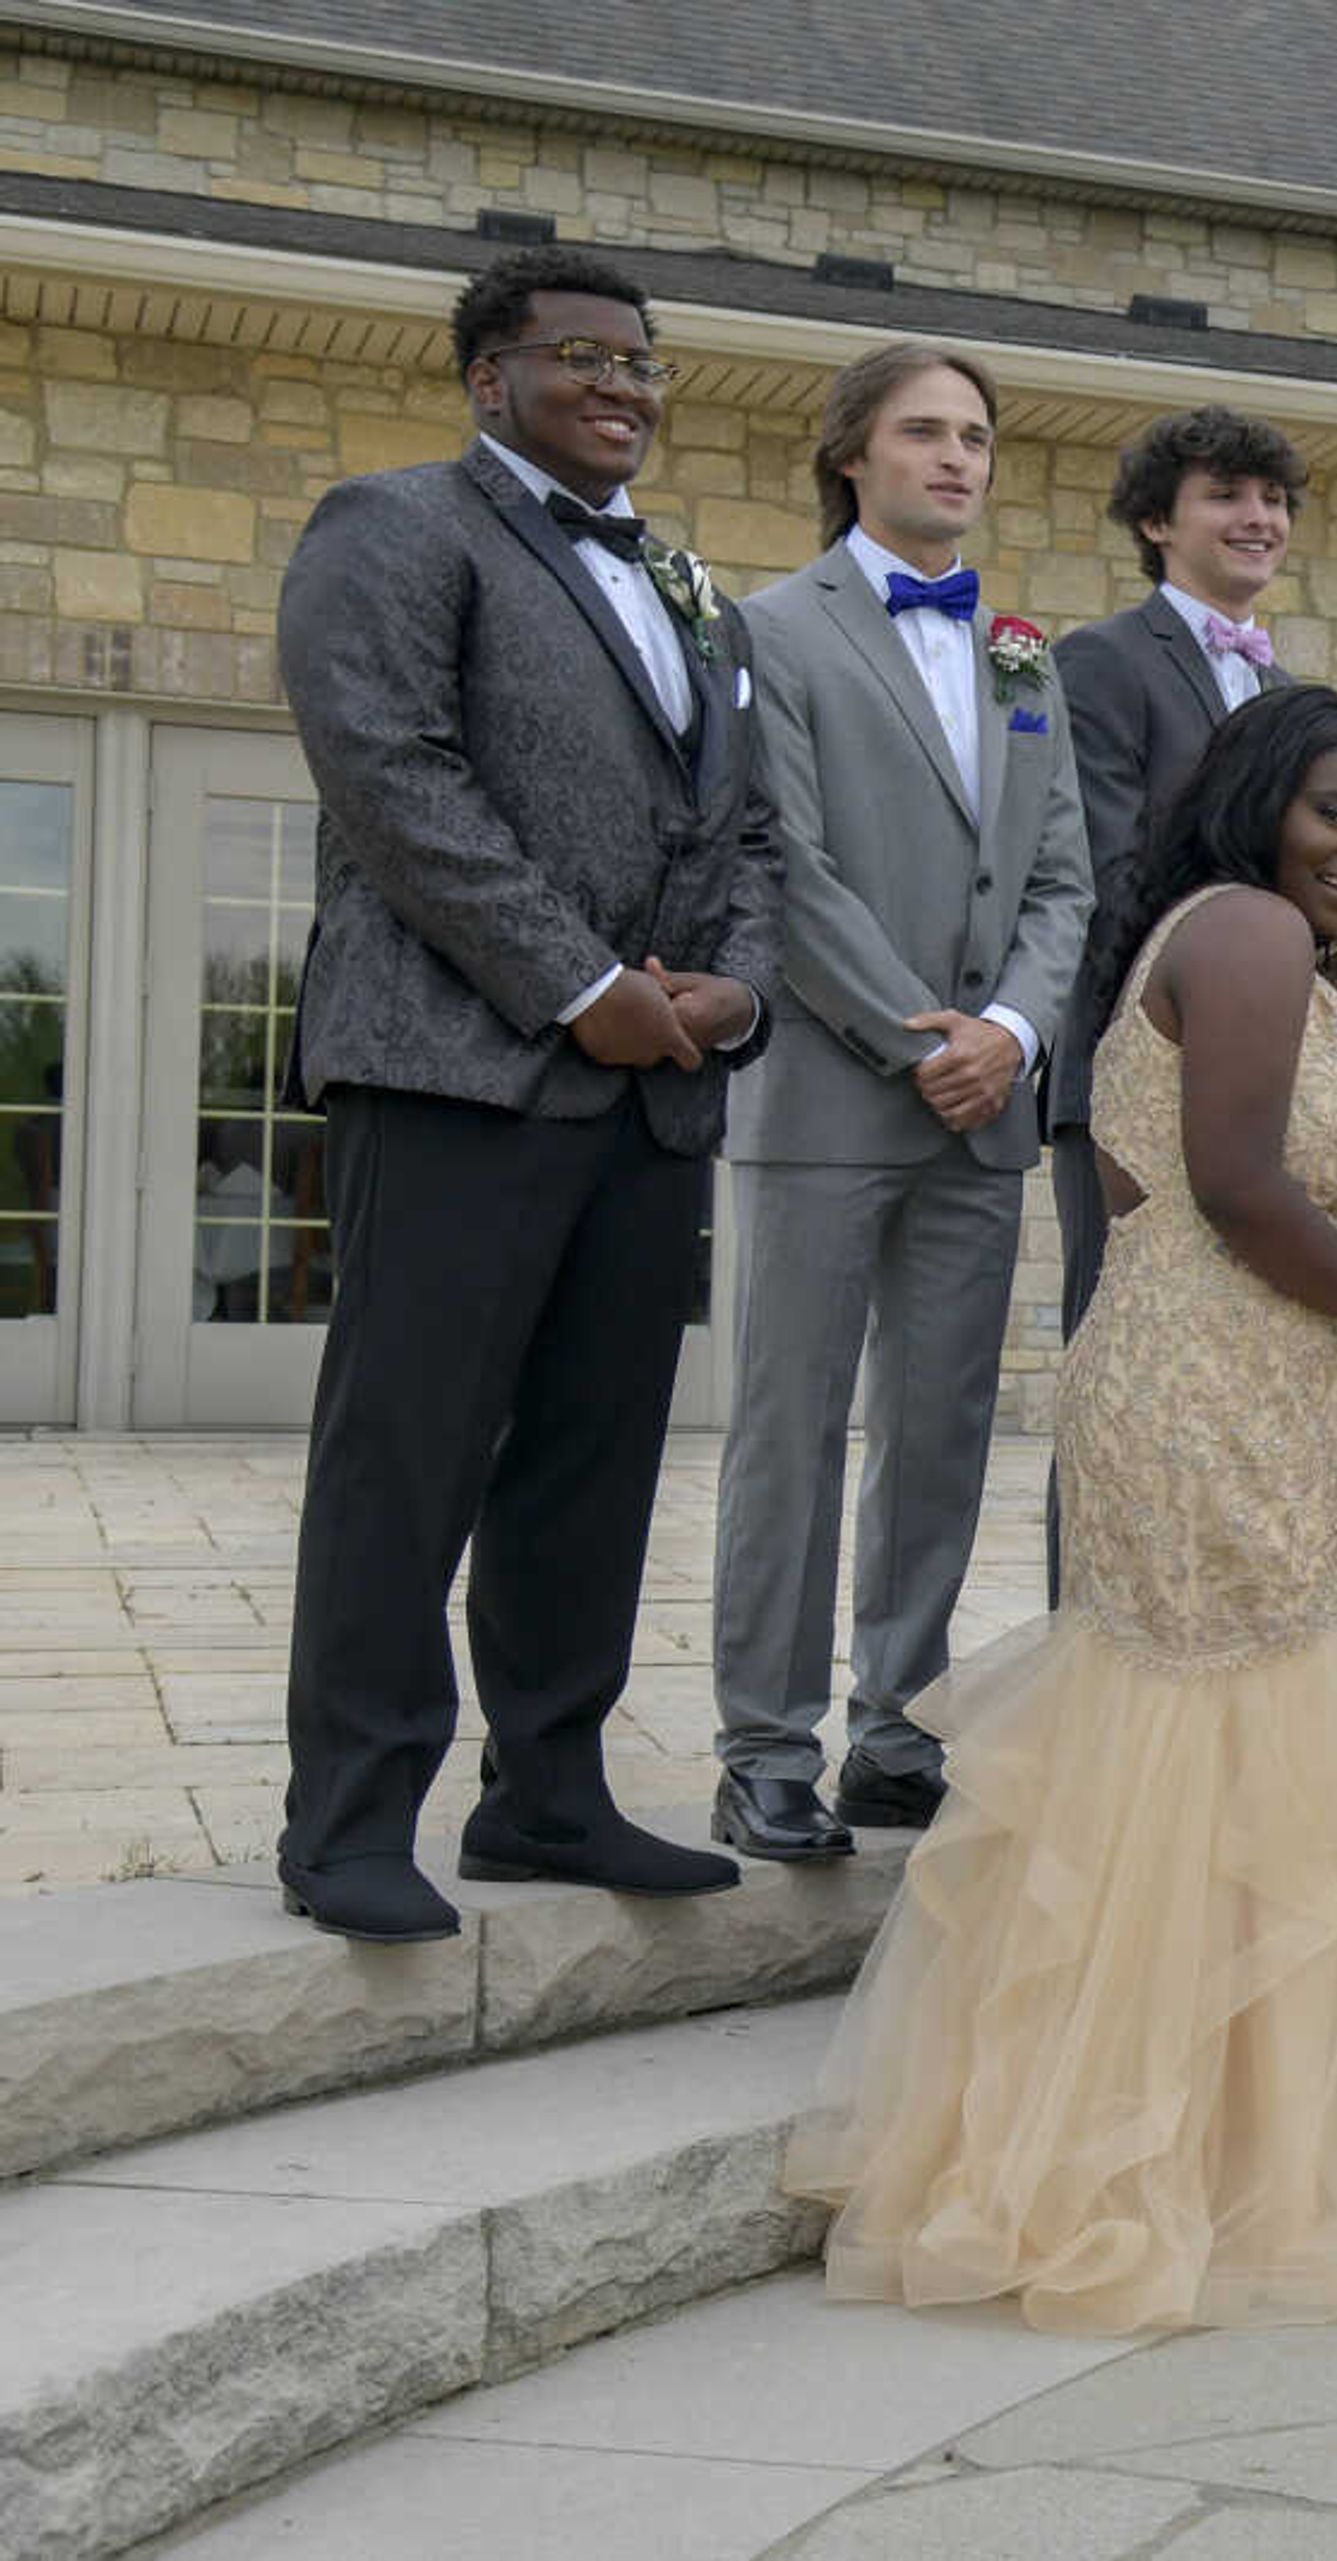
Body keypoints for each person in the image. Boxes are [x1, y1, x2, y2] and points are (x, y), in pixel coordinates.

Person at [785, 685, 1337, 2331]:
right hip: (1218, 1387)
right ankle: (1161, 2174)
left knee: (1198, 1729)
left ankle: (1199, 2148)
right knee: (1222, 1727)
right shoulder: (1254, 935)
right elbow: (1238, 1188)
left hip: (1234, 1373)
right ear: (1262, 794)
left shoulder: (1235, 936)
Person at [269, 246, 772, 1942]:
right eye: (583, 357)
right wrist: (582, 986)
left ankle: (548, 1797)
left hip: (650, 1102)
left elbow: (749, 830)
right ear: (491, 380)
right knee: (404, 1454)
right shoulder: (392, 527)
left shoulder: (688, 580)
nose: (624, 383)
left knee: (590, 1458)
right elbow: (392, 776)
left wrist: (737, 987)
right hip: (458, 1070)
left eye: (643, 361)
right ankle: (346, 1817)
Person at [711, 342, 1094, 1860]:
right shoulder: (771, 630)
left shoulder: (1020, 648)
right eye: (924, 432)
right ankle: (760, 1746)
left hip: (984, 1108)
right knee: (789, 1429)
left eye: (977, 437)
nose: (957, 459)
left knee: (936, 1431)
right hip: (829, 1092)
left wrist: (1008, 1030)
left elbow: (1062, 874)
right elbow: (782, 862)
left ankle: (895, 1729)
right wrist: (915, 1033)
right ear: (852, 456)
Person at [1051, 406, 1307, 1351]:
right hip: (1138, 1070)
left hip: (1274, 1087)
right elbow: (1103, 877)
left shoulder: (1288, 695)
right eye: (1225, 496)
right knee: (1119, 1369)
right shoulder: (1102, 663)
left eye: (1274, 499)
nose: (1258, 517)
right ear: (1157, 522)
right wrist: (1210, 1013)